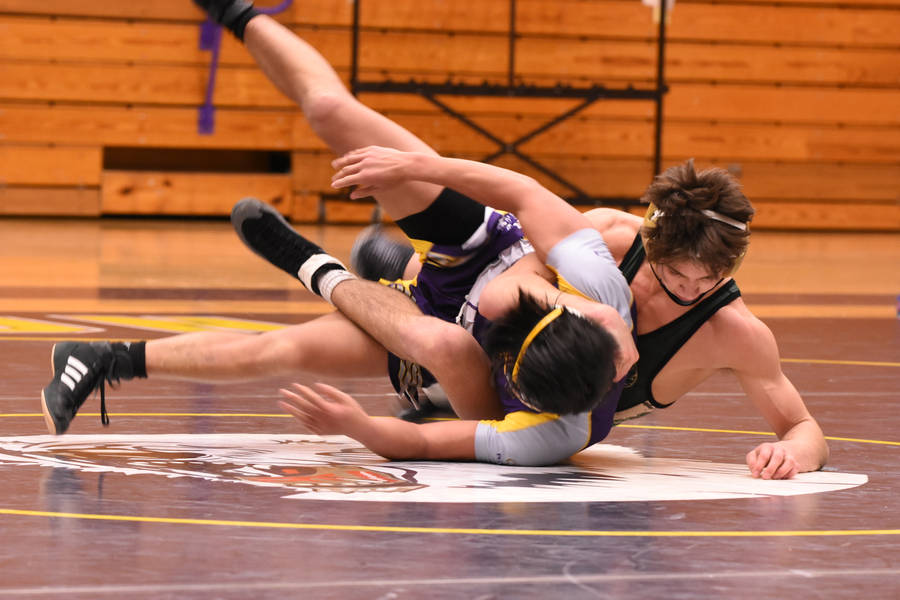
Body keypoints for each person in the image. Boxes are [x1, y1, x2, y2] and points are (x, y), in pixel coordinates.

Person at [39, 1, 637, 467]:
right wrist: (416, 168)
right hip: (482, 251)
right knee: (330, 113)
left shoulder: (544, 434)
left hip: (442, 339)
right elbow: (528, 196)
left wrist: (358, 426)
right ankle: (238, 14)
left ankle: (104, 357)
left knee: (294, 351)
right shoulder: (600, 298)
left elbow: (428, 446)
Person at [334, 151, 831, 480]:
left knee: (501, 424)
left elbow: (803, 427)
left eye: (708, 281)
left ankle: (395, 273)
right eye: (677, 277)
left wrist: (795, 454)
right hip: (503, 332)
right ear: (651, 242)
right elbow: (506, 290)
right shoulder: (610, 237)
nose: (690, 292)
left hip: (554, 407)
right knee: (456, 301)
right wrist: (595, 314)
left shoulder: (736, 332)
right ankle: (392, 269)